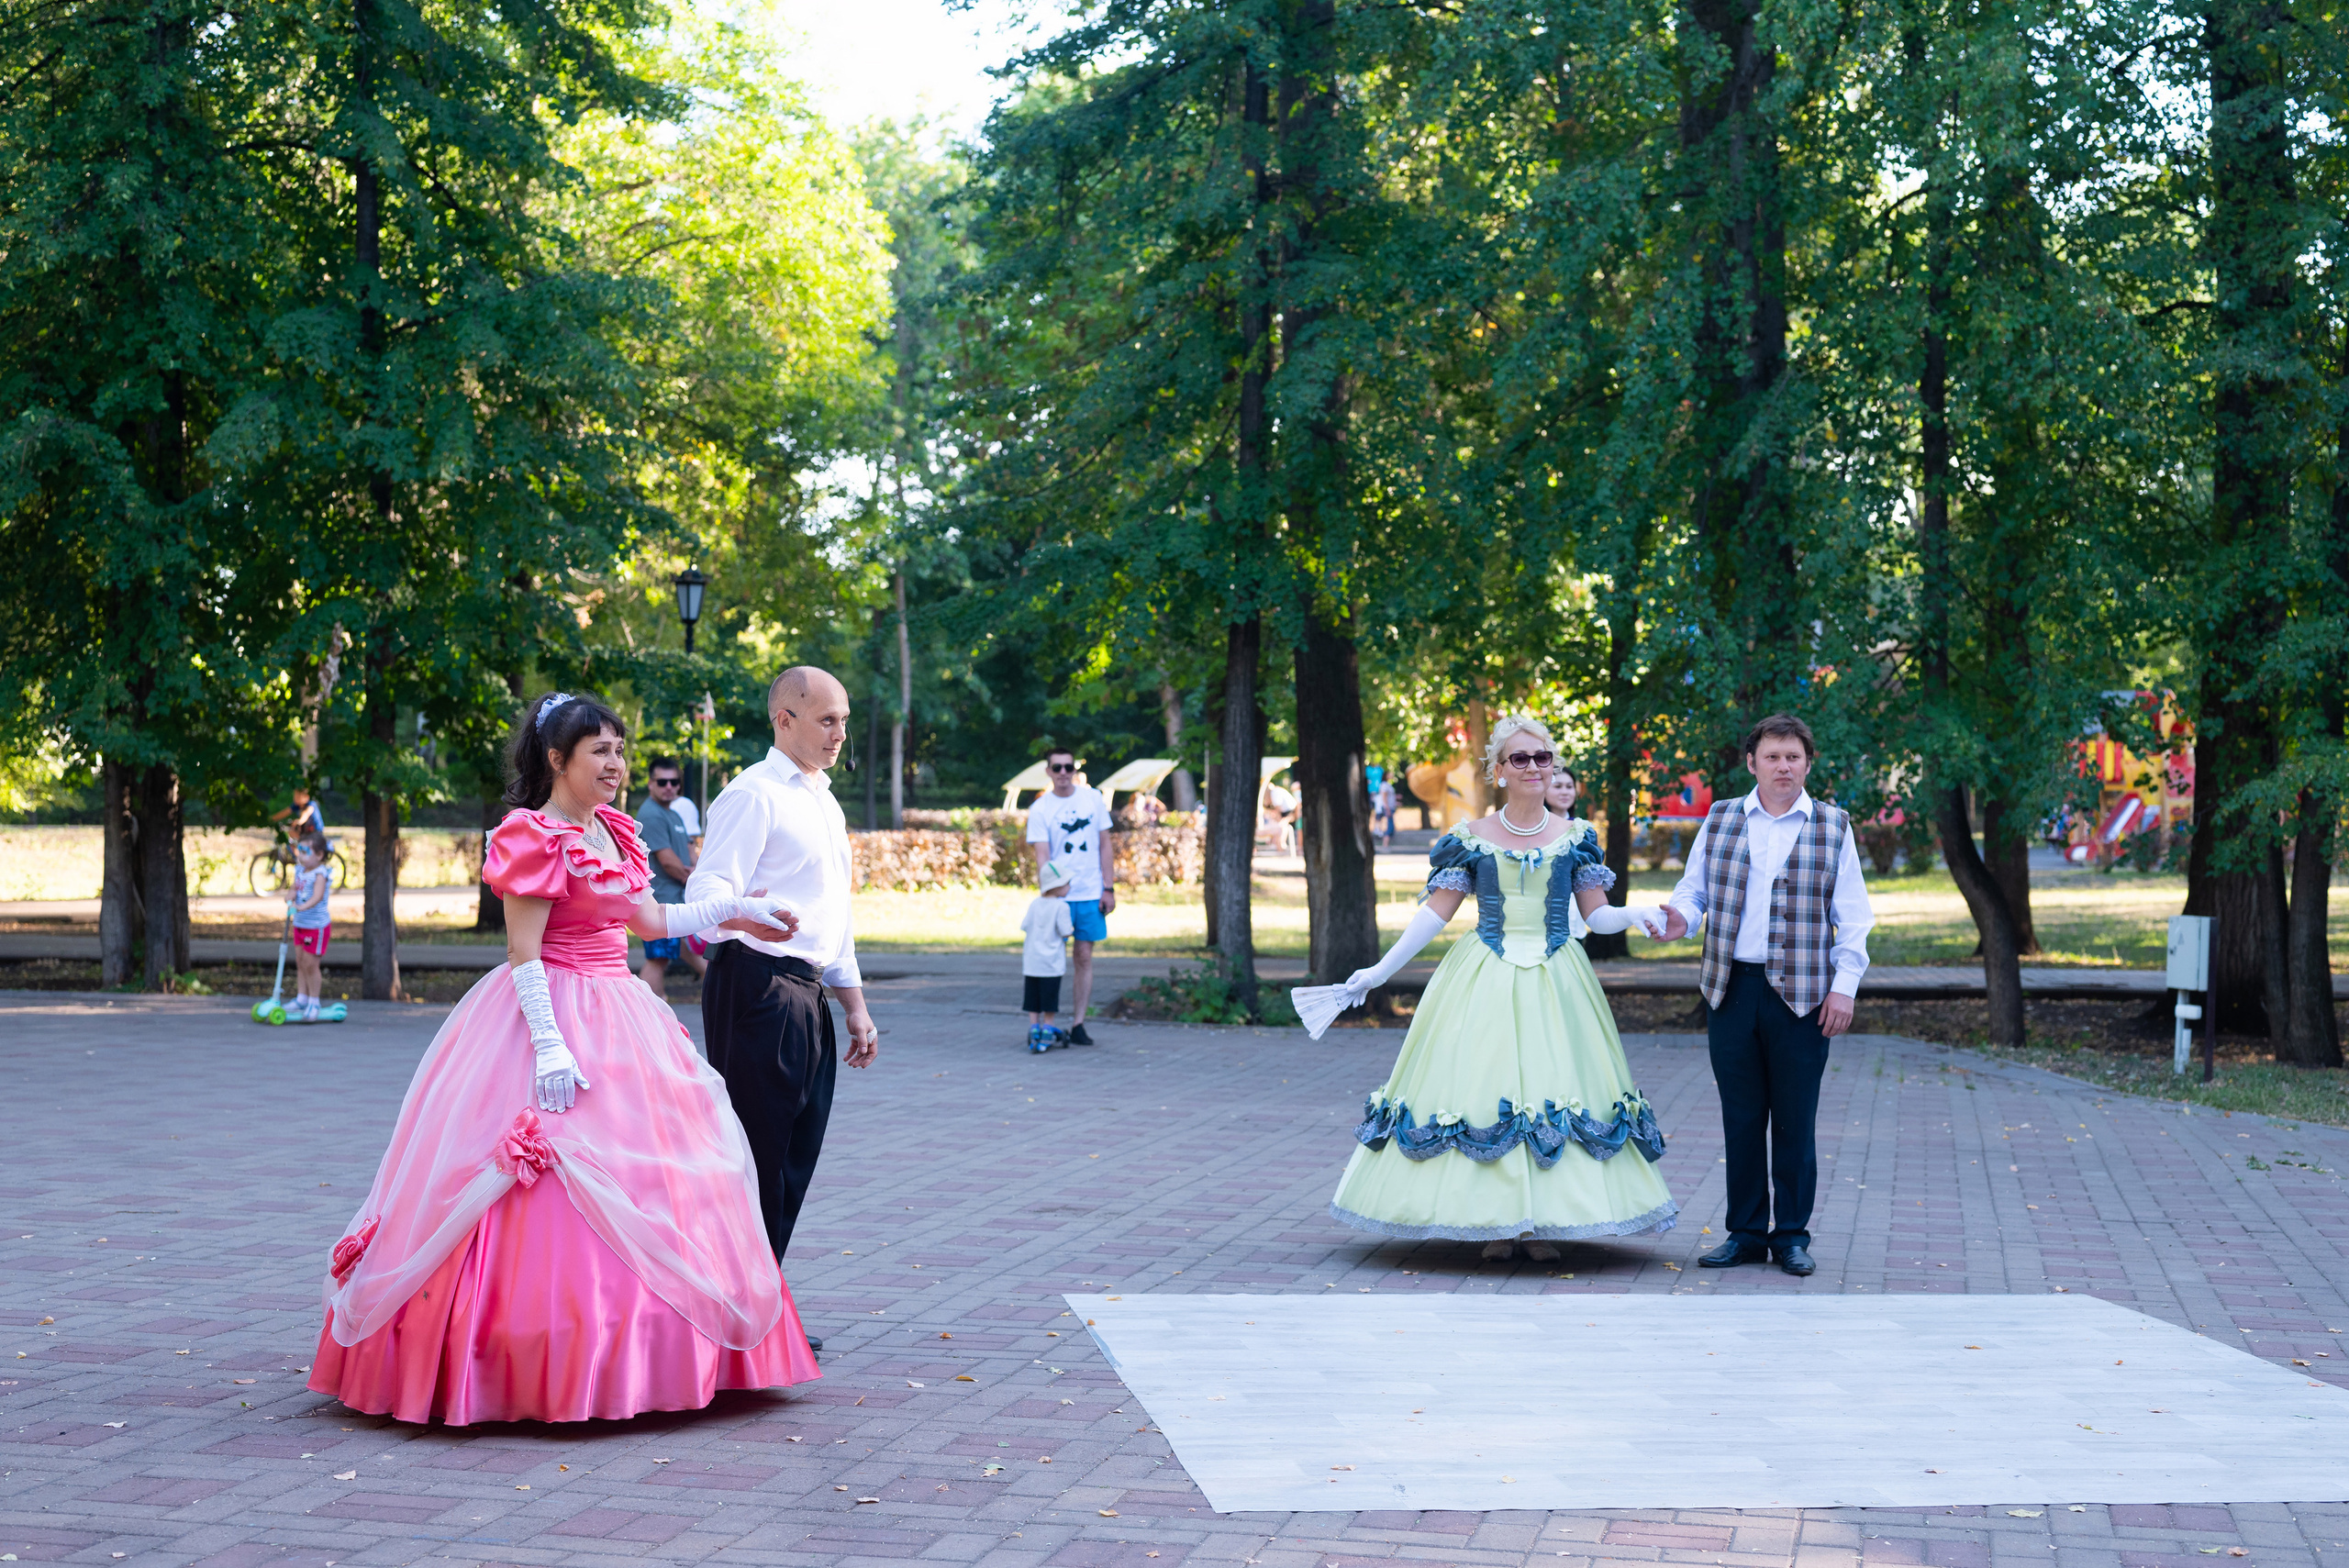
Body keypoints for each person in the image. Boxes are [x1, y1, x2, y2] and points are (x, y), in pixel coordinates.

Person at [309, 692, 818, 1424]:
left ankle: (656, 1351)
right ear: (557, 760)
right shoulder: (532, 836)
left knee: (662, 1174)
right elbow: (523, 954)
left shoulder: (616, 829)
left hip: (622, 1014)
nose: (616, 764)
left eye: (620, 749)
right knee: (541, 1183)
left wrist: (736, 912)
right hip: (545, 1013)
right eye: (599, 751)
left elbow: (648, 920)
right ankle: (534, 1357)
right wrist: (549, 1044)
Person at [1325, 715, 1679, 1262]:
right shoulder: (1469, 839)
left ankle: (1539, 1226)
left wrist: (1635, 914)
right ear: (1498, 771)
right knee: (1485, 1089)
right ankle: (1496, 1223)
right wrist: (1378, 971)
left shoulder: (1577, 838)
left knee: (1553, 1087)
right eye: (1521, 758)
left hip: (1557, 977)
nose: (1534, 767)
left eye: (1543, 758)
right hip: (1484, 976)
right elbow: (1433, 917)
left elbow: (1598, 916)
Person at [688, 666, 880, 1356]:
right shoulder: (753, 794)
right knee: (754, 1155)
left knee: (794, 1153)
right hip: (756, 985)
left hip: (809, 992)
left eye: (844, 719)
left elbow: (836, 914)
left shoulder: (825, 803)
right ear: (784, 719)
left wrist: (854, 1004)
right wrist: (752, 911)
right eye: (826, 719)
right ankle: (737, 1313)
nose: (839, 733)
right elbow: (712, 891)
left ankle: (758, 1302)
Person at [1657, 713, 1875, 1279]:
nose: (1784, 766)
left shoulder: (1833, 826)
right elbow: (1695, 889)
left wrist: (1844, 988)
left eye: (1794, 757)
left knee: (1796, 1121)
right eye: (1773, 757)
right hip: (1731, 988)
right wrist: (1682, 917)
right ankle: (1747, 1233)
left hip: (1803, 996)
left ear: (1808, 763)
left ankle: (1792, 1236)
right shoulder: (1722, 817)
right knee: (1742, 1117)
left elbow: (1852, 917)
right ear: (1752, 762)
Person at [1024, 748, 1115, 1046]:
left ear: (1075, 770)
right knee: (1047, 958)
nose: (1063, 773)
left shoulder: (1093, 799)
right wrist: (1050, 895)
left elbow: (1104, 844)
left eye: (1068, 767)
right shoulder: (1041, 809)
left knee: (1084, 957)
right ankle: (1042, 1023)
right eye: (1057, 768)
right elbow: (1042, 856)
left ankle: (1078, 1023)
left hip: (1090, 893)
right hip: (1058, 897)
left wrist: (1108, 887)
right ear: (1048, 771)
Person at [635, 756, 704, 1000]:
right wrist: (696, 883)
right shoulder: (651, 814)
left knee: (687, 949)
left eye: (674, 782)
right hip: (660, 901)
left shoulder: (672, 814)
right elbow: (668, 862)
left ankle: (719, 988)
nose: (669, 787)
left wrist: (697, 870)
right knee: (659, 958)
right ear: (651, 783)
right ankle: (645, 1005)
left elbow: (688, 850)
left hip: (676, 898)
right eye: (662, 782)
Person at [1020, 860, 1076, 1052]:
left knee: (1033, 1000)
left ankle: (1034, 1027)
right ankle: (1048, 1029)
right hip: (1051, 964)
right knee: (1049, 1000)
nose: (1069, 887)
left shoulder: (1035, 904)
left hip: (1032, 962)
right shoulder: (1062, 908)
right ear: (1058, 886)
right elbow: (1066, 931)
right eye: (1067, 883)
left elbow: (1025, 925)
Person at [287, 830, 334, 1018]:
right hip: (300, 924)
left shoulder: (320, 874)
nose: (301, 856)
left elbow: (317, 896)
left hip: (316, 927)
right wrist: (290, 898)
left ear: (319, 855)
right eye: (300, 851)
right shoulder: (299, 870)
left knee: (310, 964)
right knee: (300, 962)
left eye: (306, 852)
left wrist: (301, 906)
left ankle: (314, 1001)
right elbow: (294, 888)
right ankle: (302, 997)